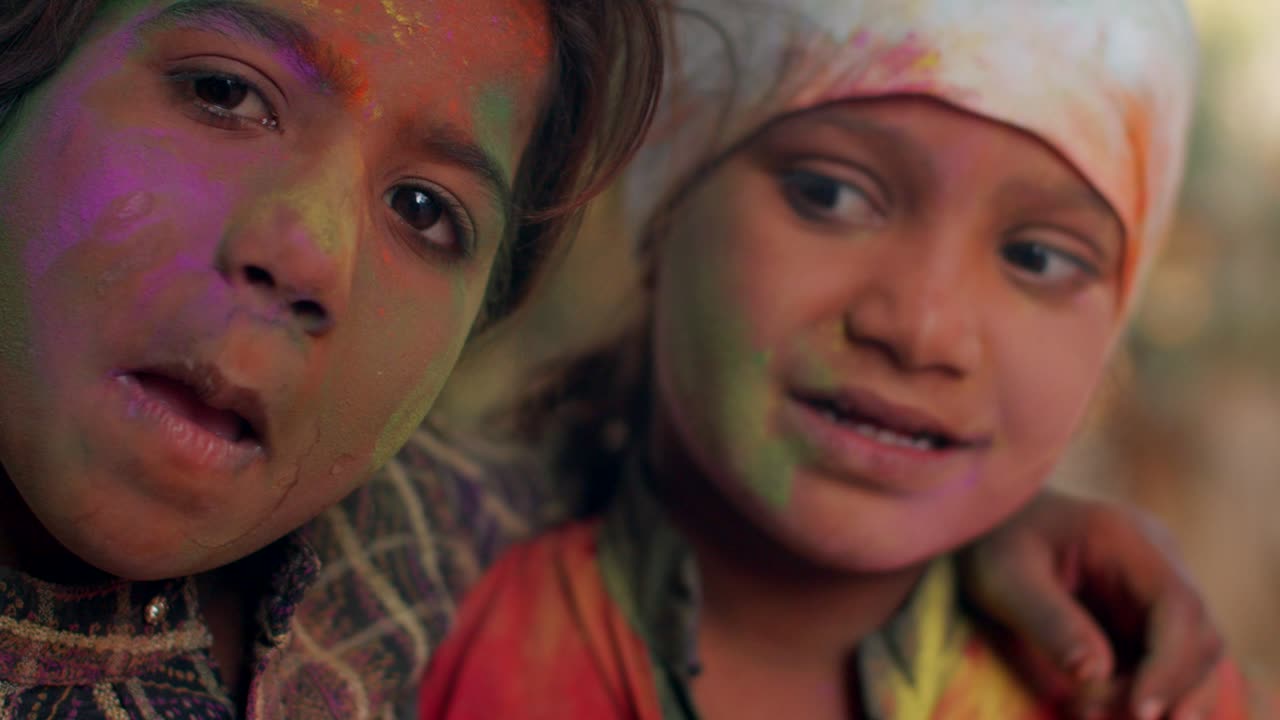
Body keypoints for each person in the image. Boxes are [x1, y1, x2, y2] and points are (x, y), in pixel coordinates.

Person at [0, 1, 1231, 718]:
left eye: (429, 211)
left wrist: (977, 536)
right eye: (224, 92)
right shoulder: (506, 626)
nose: (305, 252)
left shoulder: (425, 539)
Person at [418, 0, 1275, 717]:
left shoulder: (1148, 696)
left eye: (1038, 258)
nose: (922, 329)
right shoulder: (399, 608)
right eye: (829, 195)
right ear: (668, 209)